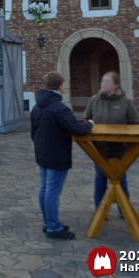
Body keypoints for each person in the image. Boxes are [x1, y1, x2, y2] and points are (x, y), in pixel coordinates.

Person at [31, 71, 93, 240]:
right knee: (51, 191)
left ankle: (48, 222)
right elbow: (78, 130)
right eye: (64, 85)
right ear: (60, 87)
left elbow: (33, 132)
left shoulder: (37, 106)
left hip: (42, 153)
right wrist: (89, 124)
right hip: (56, 154)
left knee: (45, 189)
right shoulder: (59, 108)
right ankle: (53, 227)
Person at [84, 71, 139, 213]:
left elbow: (136, 123)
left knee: (120, 179)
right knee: (100, 179)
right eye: (102, 81)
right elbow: (86, 119)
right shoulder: (94, 101)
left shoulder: (126, 102)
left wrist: (128, 141)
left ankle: (125, 211)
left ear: (115, 85)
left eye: (107, 82)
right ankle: (101, 211)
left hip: (119, 150)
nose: (103, 84)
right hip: (99, 150)